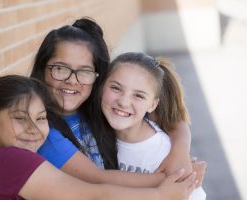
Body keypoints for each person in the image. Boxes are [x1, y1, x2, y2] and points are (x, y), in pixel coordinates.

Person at [0, 75, 196, 200]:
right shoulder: (10, 160)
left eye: (41, 119)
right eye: (20, 118)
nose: (33, 129)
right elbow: (93, 195)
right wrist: (161, 194)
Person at [31, 17, 203, 187]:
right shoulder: (42, 129)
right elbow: (97, 178)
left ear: (97, 78)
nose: (71, 80)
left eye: (84, 71)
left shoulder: (100, 106)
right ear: (42, 68)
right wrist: (179, 177)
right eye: (60, 68)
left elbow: (173, 121)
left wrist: (179, 154)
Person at [100, 52, 206, 199]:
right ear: (101, 87)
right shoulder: (91, 132)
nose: (123, 102)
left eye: (138, 95)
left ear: (152, 105)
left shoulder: (164, 152)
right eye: (116, 88)